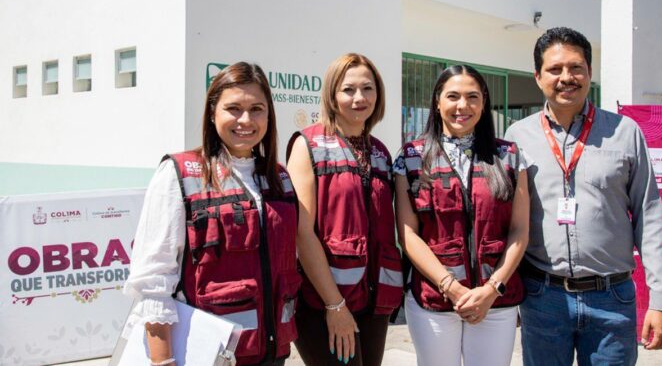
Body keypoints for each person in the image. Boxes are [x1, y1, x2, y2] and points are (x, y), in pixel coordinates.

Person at [504, 27, 662, 365]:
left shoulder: (625, 132)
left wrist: (661, 301)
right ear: (538, 77)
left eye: (576, 68)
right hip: (542, 297)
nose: (566, 77)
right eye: (555, 69)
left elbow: (650, 216)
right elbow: (507, 220)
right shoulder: (517, 136)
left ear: (590, 73)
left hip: (612, 300)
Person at [124, 62, 300, 366]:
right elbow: (154, 279)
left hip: (272, 353)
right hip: (208, 354)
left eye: (257, 109)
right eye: (233, 108)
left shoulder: (279, 178)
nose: (246, 120)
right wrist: (162, 361)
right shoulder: (179, 173)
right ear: (212, 112)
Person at [394, 64, 529, 366]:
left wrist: (491, 289)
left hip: (495, 301)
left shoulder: (510, 156)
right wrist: (450, 287)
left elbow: (519, 230)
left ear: (484, 103)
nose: (462, 106)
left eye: (472, 97)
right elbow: (408, 233)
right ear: (437, 101)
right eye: (453, 96)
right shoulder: (411, 157)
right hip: (433, 298)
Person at [286, 53, 403, 366]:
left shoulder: (379, 151)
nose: (359, 97)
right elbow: (302, 232)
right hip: (323, 299)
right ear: (332, 95)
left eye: (368, 88)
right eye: (348, 89)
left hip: (373, 300)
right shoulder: (307, 144)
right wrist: (334, 305)